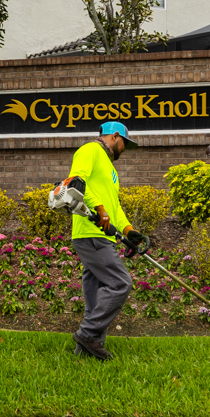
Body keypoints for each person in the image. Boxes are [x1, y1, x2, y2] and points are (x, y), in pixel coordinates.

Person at [67, 121, 150, 361]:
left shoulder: (110, 169)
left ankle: (86, 349)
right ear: (115, 137)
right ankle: (87, 334)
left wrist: (128, 229)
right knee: (120, 283)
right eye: (125, 143)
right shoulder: (90, 150)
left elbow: (114, 206)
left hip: (100, 235)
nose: (125, 148)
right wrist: (99, 209)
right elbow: (76, 181)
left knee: (95, 293)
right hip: (90, 232)